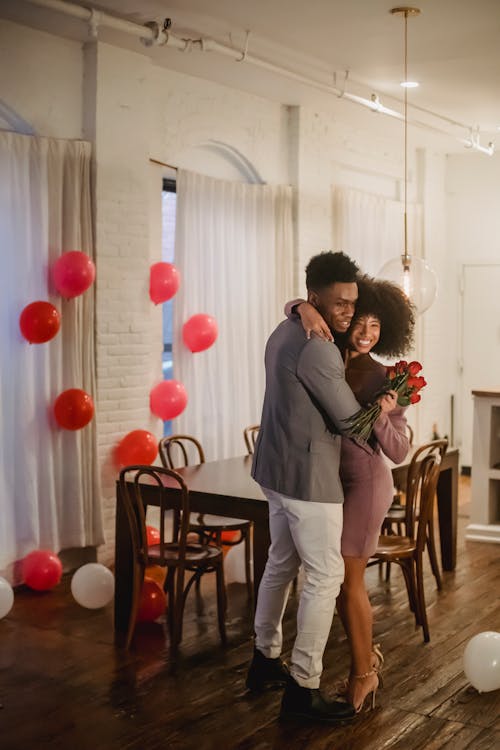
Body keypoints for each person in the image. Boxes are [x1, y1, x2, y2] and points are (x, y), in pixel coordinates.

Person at [245, 252, 398, 724]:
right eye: (339, 304)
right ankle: (303, 686)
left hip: (273, 470)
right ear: (315, 298)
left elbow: (301, 313)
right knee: (326, 578)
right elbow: (352, 421)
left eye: (353, 303)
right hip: (309, 479)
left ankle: (265, 658)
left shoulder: (285, 328)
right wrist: (387, 408)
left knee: (280, 563)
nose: (348, 313)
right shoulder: (319, 348)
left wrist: (299, 308)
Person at [287, 275, 415, 712]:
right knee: (336, 581)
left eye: (377, 326)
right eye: (361, 321)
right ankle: (364, 663)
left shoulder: (387, 377)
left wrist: (382, 412)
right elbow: (305, 311)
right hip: (327, 483)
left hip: (366, 485)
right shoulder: (326, 355)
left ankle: (364, 674)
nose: (365, 332)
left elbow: (398, 450)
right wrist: (298, 307)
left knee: (348, 583)